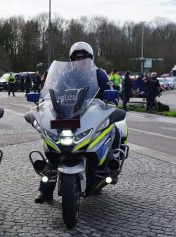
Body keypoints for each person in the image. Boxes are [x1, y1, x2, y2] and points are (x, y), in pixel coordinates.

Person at [35, 41, 121, 204]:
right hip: (70, 115)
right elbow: (53, 92)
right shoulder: (66, 76)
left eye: (83, 58)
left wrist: (112, 99)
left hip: (92, 115)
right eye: (77, 58)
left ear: (90, 58)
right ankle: (45, 191)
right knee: (53, 147)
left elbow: (110, 91)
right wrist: (46, 102)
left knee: (114, 128)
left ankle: (113, 160)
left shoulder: (98, 74)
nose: (80, 61)